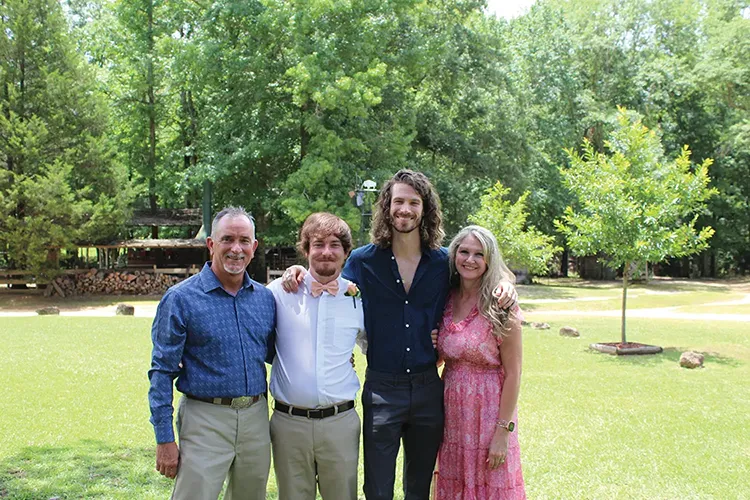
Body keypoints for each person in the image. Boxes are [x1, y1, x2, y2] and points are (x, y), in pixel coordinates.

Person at [282, 170, 517, 500]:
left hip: (428, 390)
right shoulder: (363, 261)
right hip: (382, 390)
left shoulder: (442, 263)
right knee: (377, 489)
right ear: (386, 206)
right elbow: (325, 277)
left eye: (414, 202)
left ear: (425, 209)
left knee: (419, 488)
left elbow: (481, 267)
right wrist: (298, 271)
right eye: (399, 201)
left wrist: (507, 282)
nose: (405, 209)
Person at [147, 206, 276, 500]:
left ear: (254, 247)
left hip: (256, 418)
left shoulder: (265, 299)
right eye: (227, 239)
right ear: (211, 244)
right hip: (204, 418)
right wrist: (164, 439)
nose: (236, 248)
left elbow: (277, 354)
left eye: (244, 241)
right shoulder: (181, 299)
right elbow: (161, 372)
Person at [267, 212, 367, 500]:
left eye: (335, 245)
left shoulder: (358, 300)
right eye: (318, 244)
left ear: (346, 252)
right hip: (289, 424)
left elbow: (378, 346)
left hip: (340, 423)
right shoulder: (278, 294)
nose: (326, 252)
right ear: (306, 249)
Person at [435, 225, 525, 499]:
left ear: (489, 260)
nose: (470, 260)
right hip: (451, 415)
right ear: (454, 255)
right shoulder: (445, 298)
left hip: (489, 414)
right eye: (464, 252)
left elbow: (514, 374)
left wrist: (502, 432)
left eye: (479, 254)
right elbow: (442, 358)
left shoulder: (501, 304)